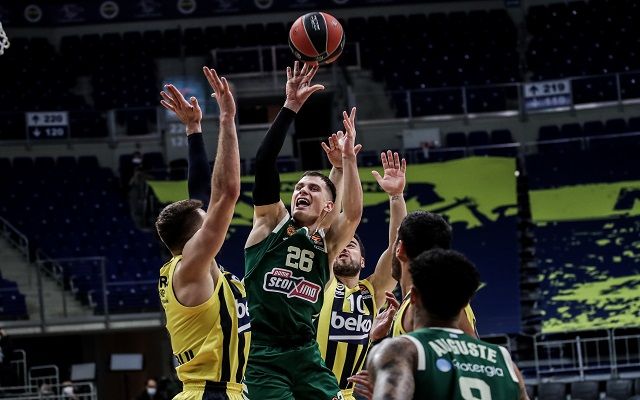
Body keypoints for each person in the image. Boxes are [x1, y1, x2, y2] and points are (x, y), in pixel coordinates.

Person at [243, 61, 363, 399]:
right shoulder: (270, 222)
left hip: (306, 352)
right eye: (298, 187)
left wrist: (348, 161)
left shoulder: (328, 243)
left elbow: (352, 213)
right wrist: (290, 107)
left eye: (312, 188)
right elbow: (264, 162)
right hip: (263, 353)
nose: (301, 191)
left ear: (327, 205)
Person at [156, 67, 250, 400]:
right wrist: (227, 118)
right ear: (194, 238)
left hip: (223, 391)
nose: (213, 219)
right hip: (210, 393)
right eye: (206, 220)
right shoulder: (192, 268)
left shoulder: (192, 265)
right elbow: (227, 192)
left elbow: (200, 195)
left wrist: (194, 129)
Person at [367, 249, 524, 399]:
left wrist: (378, 343)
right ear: (466, 303)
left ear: (413, 296)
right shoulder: (505, 361)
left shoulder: (404, 350)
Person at [315, 150, 406, 400]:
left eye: (352, 245)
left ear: (363, 261)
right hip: (309, 391)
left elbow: (397, 247)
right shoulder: (322, 281)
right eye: (342, 245)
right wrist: (339, 170)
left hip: (347, 395)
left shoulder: (371, 293)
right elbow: (329, 227)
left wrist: (396, 196)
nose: (344, 248)